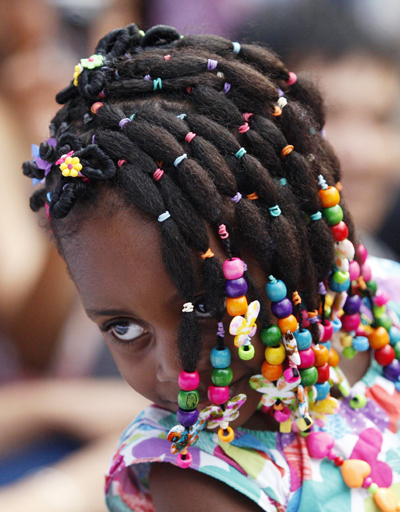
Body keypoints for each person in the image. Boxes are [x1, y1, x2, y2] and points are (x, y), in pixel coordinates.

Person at [22, 24, 400, 512]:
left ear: (293, 245)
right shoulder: (201, 475)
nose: (173, 368)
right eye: (123, 326)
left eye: (203, 306)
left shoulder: (386, 305)